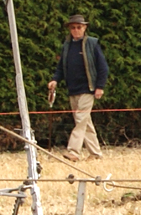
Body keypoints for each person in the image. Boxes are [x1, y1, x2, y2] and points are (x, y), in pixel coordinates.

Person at [46, 12, 109, 160]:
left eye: (79, 27)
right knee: (84, 122)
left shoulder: (92, 44)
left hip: (88, 89)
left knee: (81, 119)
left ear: (84, 28)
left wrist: (100, 86)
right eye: (73, 27)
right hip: (72, 90)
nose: (76, 30)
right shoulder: (67, 46)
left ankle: (74, 152)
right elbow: (61, 67)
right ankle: (95, 154)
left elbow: (103, 67)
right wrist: (55, 79)